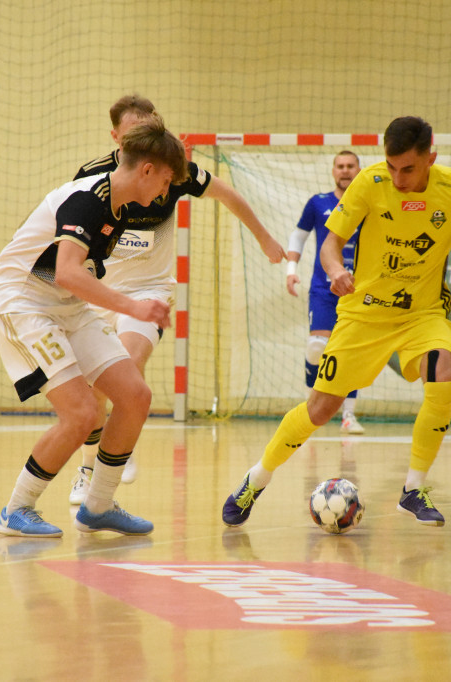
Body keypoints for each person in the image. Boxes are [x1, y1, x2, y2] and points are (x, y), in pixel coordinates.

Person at [222, 116, 451, 528]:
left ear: (431, 158)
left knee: (442, 368)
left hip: (423, 314)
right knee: (321, 407)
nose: (398, 178)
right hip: (364, 314)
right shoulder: (371, 182)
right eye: (392, 166)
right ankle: (256, 479)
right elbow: (330, 245)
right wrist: (333, 272)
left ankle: (412, 490)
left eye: (409, 169)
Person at [67, 94, 285, 505]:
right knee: (94, 386)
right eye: (132, 134)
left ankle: (118, 451)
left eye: (148, 129)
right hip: (103, 290)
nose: (143, 140)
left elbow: (228, 195)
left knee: (127, 365)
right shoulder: (93, 177)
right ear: (116, 137)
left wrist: (265, 238)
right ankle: (86, 470)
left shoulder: (175, 171)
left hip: (148, 292)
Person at [0, 115, 189, 538]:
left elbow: (75, 279)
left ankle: (98, 506)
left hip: (64, 304)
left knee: (135, 395)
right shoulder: (88, 199)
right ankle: (16, 509)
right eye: (167, 181)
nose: (167, 192)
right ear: (148, 169)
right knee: (81, 413)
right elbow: (66, 272)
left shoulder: (121, 207)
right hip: (24, 301)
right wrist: (134, 306)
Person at [286, 150, 365, 434]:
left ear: (359, 170)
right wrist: (290, 269)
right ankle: (312, 405)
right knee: (317, 348)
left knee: (352, 355)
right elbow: (299, 235)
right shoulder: (318, 203)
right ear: (334, 171)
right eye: (340, 166)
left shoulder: (369, 204)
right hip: (324, 288)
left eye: (350, 166)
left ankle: (348, 416)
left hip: (359, 292)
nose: (345, 171)